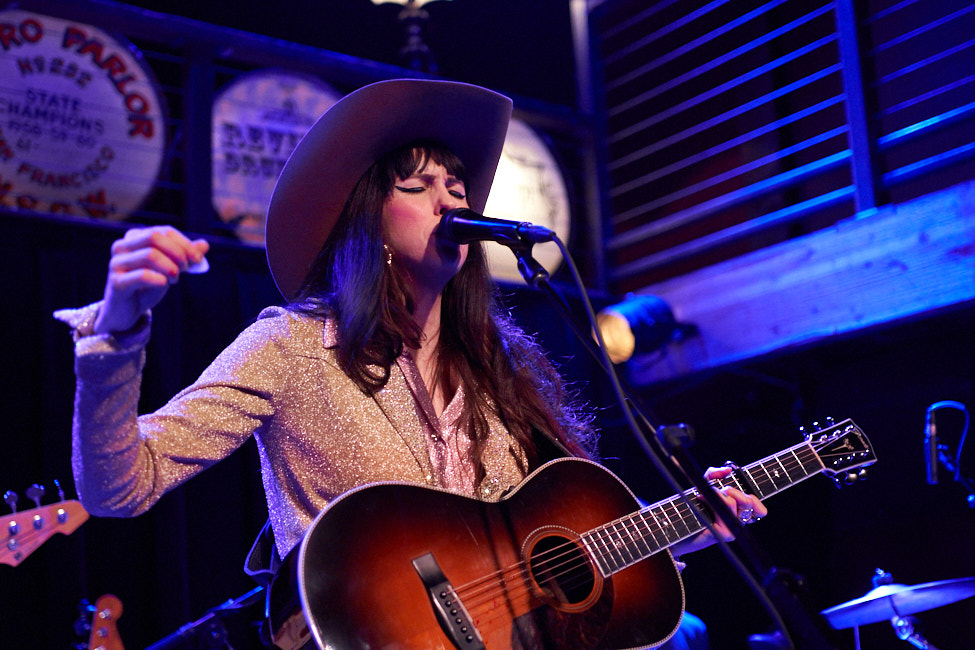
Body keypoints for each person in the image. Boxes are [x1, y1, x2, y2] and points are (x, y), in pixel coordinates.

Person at [56, 79, 766, 647]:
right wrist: (119, 332)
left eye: (457, 185)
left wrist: (693, 526)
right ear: (369, 219)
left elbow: (545, 558)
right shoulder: (294, 344)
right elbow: (120, 487)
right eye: (417, 184)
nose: (451, 197)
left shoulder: (501, 368)